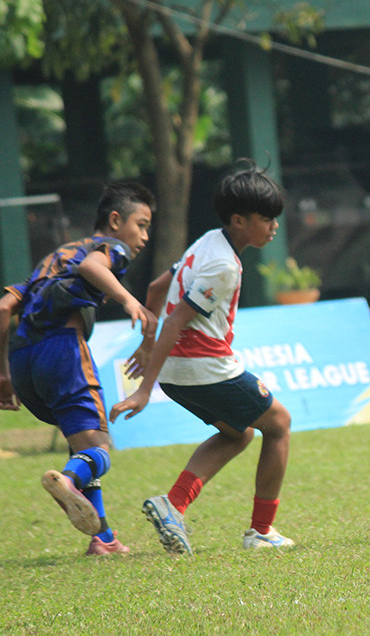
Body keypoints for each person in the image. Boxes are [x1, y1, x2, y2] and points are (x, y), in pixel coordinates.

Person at [109, 159, 295, 554]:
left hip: (180, 371)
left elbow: (159, 288)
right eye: (266, 218)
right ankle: (261, 533)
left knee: (240, 432)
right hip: (204, 367)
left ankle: (172, 505)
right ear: (240, 220)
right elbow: (176, 320)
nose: (274, 226)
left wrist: (146, 345)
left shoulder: (209, 241)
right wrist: (144, 390)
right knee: (278, 424)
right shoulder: (225, 265)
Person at [0, 182, 157, 555]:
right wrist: (128, 299)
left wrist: (3, 374)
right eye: (142, 224)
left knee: (81, 443)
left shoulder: (51, 259)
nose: (145, 237)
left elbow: (4, 308)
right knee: (99, 448)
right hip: (63, 351)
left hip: (23, 362)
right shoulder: (108, 248)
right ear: (116, 220)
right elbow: (92, 266)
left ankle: (102, 539)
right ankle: (68, 480)